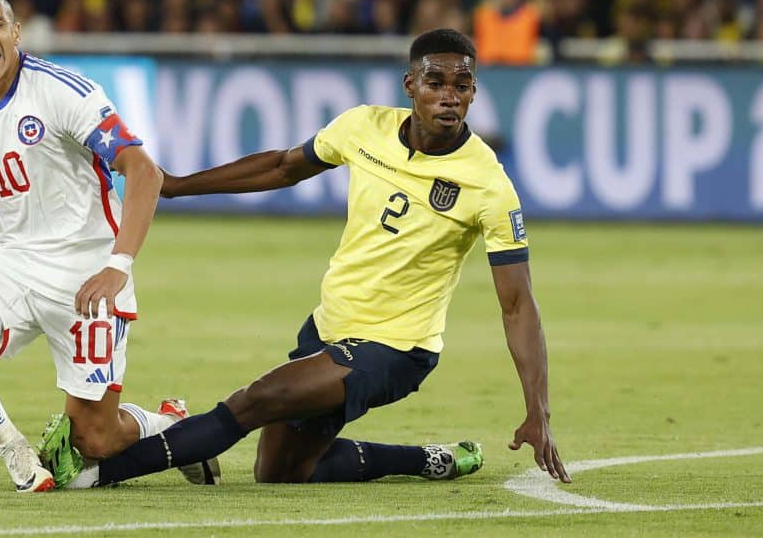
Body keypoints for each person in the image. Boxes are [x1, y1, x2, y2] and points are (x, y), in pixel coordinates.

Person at [38, 27, 571, 488]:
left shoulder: (488, 185)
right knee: (282, 472)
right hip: (328, 328)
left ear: (475, 92)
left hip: (397, 349)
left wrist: (538, 410)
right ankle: (431, 460)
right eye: (435, 83)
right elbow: (281, 167)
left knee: (254, 400)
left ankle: (100, 473)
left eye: (461, 85)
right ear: (411, 86)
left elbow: (518, 305)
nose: (448, 96)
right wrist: (176, 187)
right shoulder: (363, 127)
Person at [0, 0, 216, 492]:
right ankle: (13, 448)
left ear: (16, 33)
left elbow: (144, 173)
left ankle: (169, 425)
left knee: (93, 444)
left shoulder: (61, 91)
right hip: (10, 262)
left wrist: (117, 266)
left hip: (88, 271)